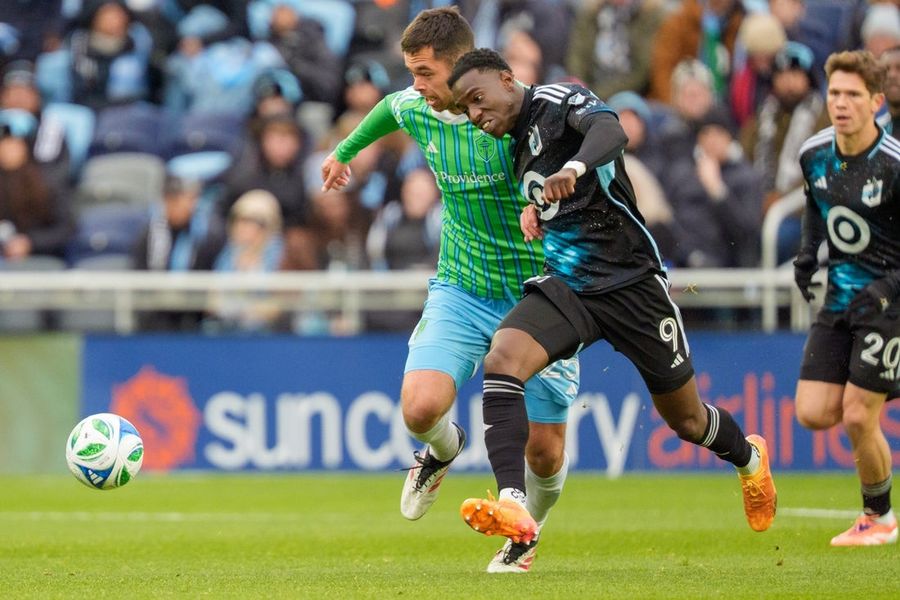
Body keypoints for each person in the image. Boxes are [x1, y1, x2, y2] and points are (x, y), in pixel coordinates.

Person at [447, 48, 777, 542]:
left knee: (687, 420)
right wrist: (535, 210)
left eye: (478, 99)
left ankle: (749, 458)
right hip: (570, 286)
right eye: (466, 110)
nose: (475, 114)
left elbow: (612, 131)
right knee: (503, 358)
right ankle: (512, 502)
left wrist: (576, 168)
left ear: (506, 78)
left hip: (632, 285)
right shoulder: (514, 144)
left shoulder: (558, 100)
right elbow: (555, 195)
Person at [320, 7, 579, 573]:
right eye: (410, 72)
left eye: (424, 72)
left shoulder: (524, 117)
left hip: (540, 297)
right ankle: (442, 449)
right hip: (462, 286)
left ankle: (524, 535)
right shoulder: (418, 107)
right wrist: (345, 152)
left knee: (545, 450)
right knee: (419, 408)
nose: (415, 86)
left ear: (463, 66)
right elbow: (388, 108)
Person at [793, 49, 899, 547]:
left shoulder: (894, 165)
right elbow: (817, 204)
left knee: (859, 414)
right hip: (839, 301)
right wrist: (806, 256)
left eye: (853, 95)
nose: (841, 103)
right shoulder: (814, 152)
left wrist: (882, 291)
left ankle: (878, 517)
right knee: (813, 412)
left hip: (891, 302)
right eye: (834, 92)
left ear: (876, 102)